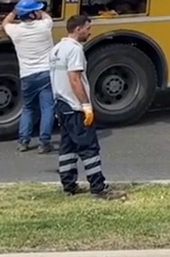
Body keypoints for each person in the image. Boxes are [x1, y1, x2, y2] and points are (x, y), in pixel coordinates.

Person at [49, 15, 122, 199]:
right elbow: (74, 79)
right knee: (89, 147)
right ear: (78, 28)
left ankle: (69, 185)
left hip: (61, 103)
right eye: (88, 28)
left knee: (68, 146)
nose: (90, 32)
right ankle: (98, 188)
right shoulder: (75, 50)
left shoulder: (56, 49)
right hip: (74, 106)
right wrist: (86, 105)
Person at [3, 0, 56, 153]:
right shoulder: (44, 26)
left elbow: (5, 22)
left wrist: (15, 11)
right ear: (33, 14)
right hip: (46, 73)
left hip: (27, 75)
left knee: (28, 108)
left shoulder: (15, 31)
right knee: (47, 108)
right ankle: (44, 143)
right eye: (36, 10)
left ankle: (23, 142)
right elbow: (46, 16)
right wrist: (40, 10)